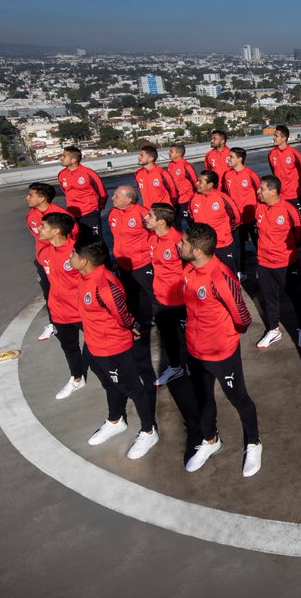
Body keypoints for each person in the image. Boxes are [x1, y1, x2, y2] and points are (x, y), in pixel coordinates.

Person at [177, 223, 263, 476]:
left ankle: (254, 442)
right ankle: (210, 440)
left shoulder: (220, 276)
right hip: (195, 350)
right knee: (203, 399)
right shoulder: (189, 270)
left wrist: (225, 336)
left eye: (183, 243)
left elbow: (242, 316)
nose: (178, 245)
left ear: (197, 250)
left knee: (239, 399)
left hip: (221, 353)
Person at [71, 238, 160, 460]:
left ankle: (149, 430)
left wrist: (133, 326)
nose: (69, 258)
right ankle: (115, 420)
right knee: (110, 383)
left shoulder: (105, 285)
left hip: (113, 348)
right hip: (93, 345)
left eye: (73, 254)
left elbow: (123, 315)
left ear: (84, 261)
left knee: (134, 389)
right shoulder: (85, 277)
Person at [106, 186, 158, 383]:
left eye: (117, 195)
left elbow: (154, 233)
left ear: (129, 199)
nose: (113, 197)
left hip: (142, 263)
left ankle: (165, 323)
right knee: (130, 298)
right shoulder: (113, 213)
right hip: (123, 264)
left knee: (153, 295)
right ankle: (135, 327)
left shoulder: (141, 213)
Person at [253, 175, 301, 349]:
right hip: (264, 263)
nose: (258, 192)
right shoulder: (259, 209)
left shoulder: (289, 210)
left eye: (262, 189)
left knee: (295, 296)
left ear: (273, 190)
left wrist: (286, 252)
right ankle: (273, 329)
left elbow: (299, 235)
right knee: (269, 298)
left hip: (286, 263)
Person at [36, 212, 87, 400]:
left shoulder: (78, 251)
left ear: (56, 231)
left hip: (82, 311)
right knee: (69, 347)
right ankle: (77, 378)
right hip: (59, 312)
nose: (38, 229)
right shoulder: (44, 253)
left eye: (43, 227)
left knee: (101, 349)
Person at [145, 203, 187, 385]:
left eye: (150, 216)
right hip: (160, 297)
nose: (145, 218)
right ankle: (176, 367)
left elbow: (190, 268)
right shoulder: (152, 239)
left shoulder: (178, 241)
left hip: (180, 299)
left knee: (190, 335)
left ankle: (196, 364)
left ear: (161, 222)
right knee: (168, 335)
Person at [25, 182, 67, 341]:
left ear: (42, 198)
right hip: (44, 261)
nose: (27, 198)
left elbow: (73, 236)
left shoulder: (60, 214)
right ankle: (54, 323)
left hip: (63, 260)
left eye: (31, 195)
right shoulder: (30, 215)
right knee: (49, 292)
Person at [267, 124, 301, 249]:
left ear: (284, 138)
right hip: (280, 196)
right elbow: (274, 174)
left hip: (293, 195)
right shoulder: (271, 154)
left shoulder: (294, 153)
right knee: (281, 222)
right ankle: (285, 246)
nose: (273, 138)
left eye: (276, 136)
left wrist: (296, 188)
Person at [190, 170, 238, 272]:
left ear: (210, 184)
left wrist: (225, 232)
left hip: (222, 244)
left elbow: (235, 217)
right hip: (203, 246)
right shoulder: (194, 198)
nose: (196, 184)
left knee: (227, 273)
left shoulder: (222, 198)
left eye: (200, 182)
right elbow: (191, 217)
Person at [222, 147, 260, 276]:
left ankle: (261, 269)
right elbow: (225, 194)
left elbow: (260, 194)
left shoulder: (251, 174)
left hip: (251, 217)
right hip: (235, 218)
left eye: (231, 156)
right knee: (237, 245)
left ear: (240, 159)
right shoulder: (227, 175)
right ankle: (240, 271)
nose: (228, 159)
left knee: (258, 243)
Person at [57, 146, 107, 241]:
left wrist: (99, 209)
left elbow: (102, 193)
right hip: (72, 214)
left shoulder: (89, 173)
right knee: (77, 242)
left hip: (90, 213)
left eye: (64, 156)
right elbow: (66, 192)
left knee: (95, 242)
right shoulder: (61, 174)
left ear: (73, 160)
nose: (61, 158)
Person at [134, 144, 178, 208]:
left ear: (151, 158)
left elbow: (173, 193)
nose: (138, 157)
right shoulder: (138, 173)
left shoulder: (162, 173)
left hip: (163, 211)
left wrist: (168, 207)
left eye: (141, 155)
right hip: (148, 211)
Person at [167, 144, 199, 228]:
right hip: (175, 200)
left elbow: (195, 182)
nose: (168, 153)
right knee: (176, 223)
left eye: (171, 151)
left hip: (186, 200)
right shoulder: (170, 165)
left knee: (190, 221)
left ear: (178, 153)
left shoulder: (186, 166)